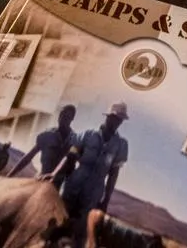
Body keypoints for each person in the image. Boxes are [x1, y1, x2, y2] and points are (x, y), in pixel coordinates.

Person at [51, 103, 130, 245]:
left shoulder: (121, 145)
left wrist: (106, 200)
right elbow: (70, 156)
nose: (116, 122)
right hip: (73, 184)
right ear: (108, 116)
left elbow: (113, 175)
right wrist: (55, 174)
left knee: (80, 232)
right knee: (57, 222)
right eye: (114, 117)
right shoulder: (88, 135)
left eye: (120, 120)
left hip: (93, 193)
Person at [7, 104, 77, 188]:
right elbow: (28, 157)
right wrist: (9, 176)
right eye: (61, 115)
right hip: (41, 181)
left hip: (60, 186)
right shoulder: (46, 136)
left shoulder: (75, 140)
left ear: (72, 119)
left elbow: (72, 163)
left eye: (66, 117)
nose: (62, 119)